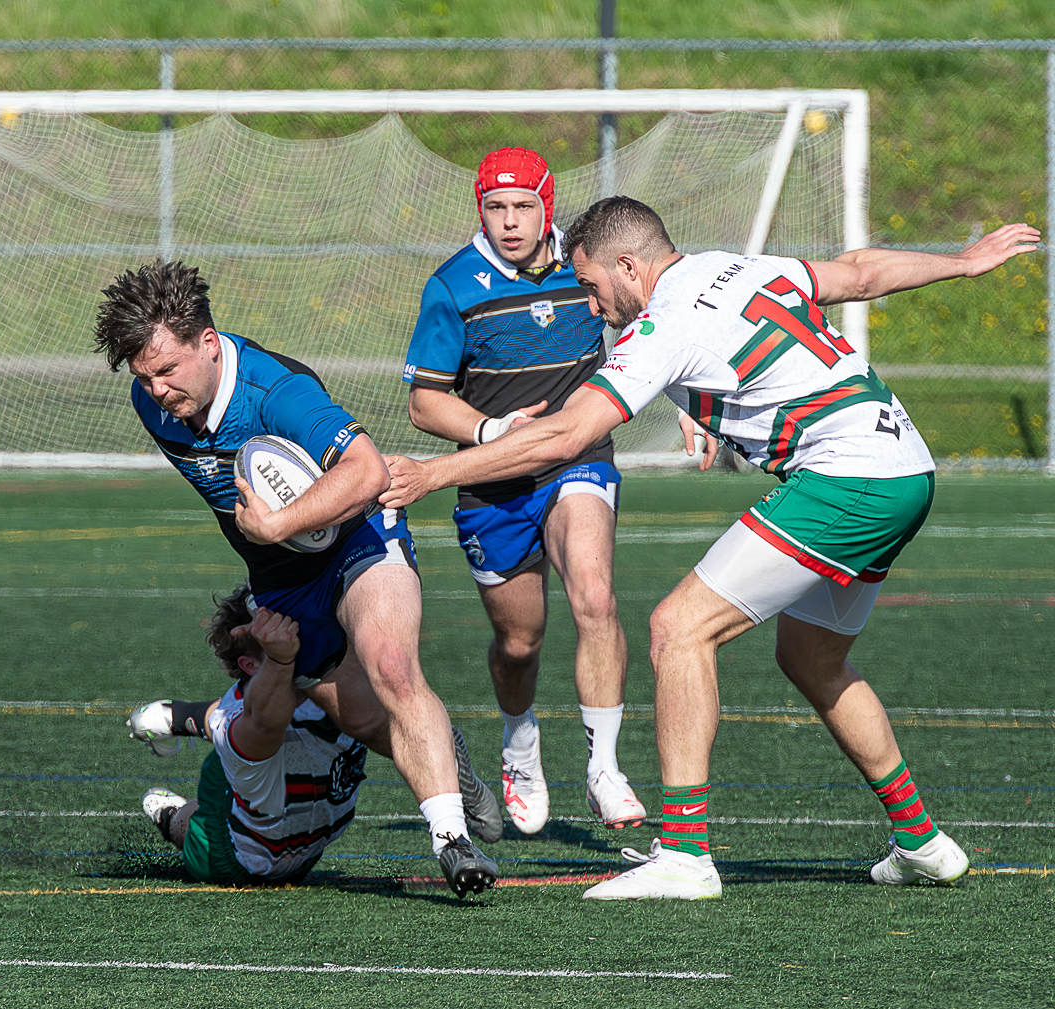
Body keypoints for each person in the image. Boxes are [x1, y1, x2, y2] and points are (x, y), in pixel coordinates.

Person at [382, 195, 1041, 900]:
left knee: (677, 629)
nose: (589, 301)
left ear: (628, 266)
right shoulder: (734, 267)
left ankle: (685, 854)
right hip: (903, 464)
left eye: (592, 284)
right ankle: (921, 841)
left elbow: (565, 436)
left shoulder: (663, 325)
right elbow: (858, 272)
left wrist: (434, 472)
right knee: (810, 657)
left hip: (848, 479)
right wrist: (963, 264)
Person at [94, 261, 499, 897]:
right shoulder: (153, 405)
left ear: (208, 341)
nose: (158, 389)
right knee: (368, 718)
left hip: (359, 537)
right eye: (145, 376)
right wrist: (272, 540)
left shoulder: (276, 391)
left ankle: (453, 839)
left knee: (391, 664)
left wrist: (279, 521)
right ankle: (454, 762)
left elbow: (365, 473)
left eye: (168, 370)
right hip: (282, 583)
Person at [397, 147, 650, 835]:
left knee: (593, 594)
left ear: (549, 206)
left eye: (523, 207)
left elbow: (651, 325)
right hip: (492, 482)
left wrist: (692, 403)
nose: (510, 222)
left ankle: (604, 768)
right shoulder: (454, 286)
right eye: (495, 208)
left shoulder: (586, 262)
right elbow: (425, 402)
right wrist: (488, 430)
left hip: (579, 458)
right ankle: (520, 744)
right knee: (520, 640)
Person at [130, 586, 497, 895]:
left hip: (307, 850)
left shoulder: (335, 685)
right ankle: (171, 815)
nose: (298, 637)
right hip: (240, 860)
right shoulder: (239, 725)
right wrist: (279, 660)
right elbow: (255, 721)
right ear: (250, 664)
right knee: (210, 784)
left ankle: (168, 718)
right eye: (278, 635)